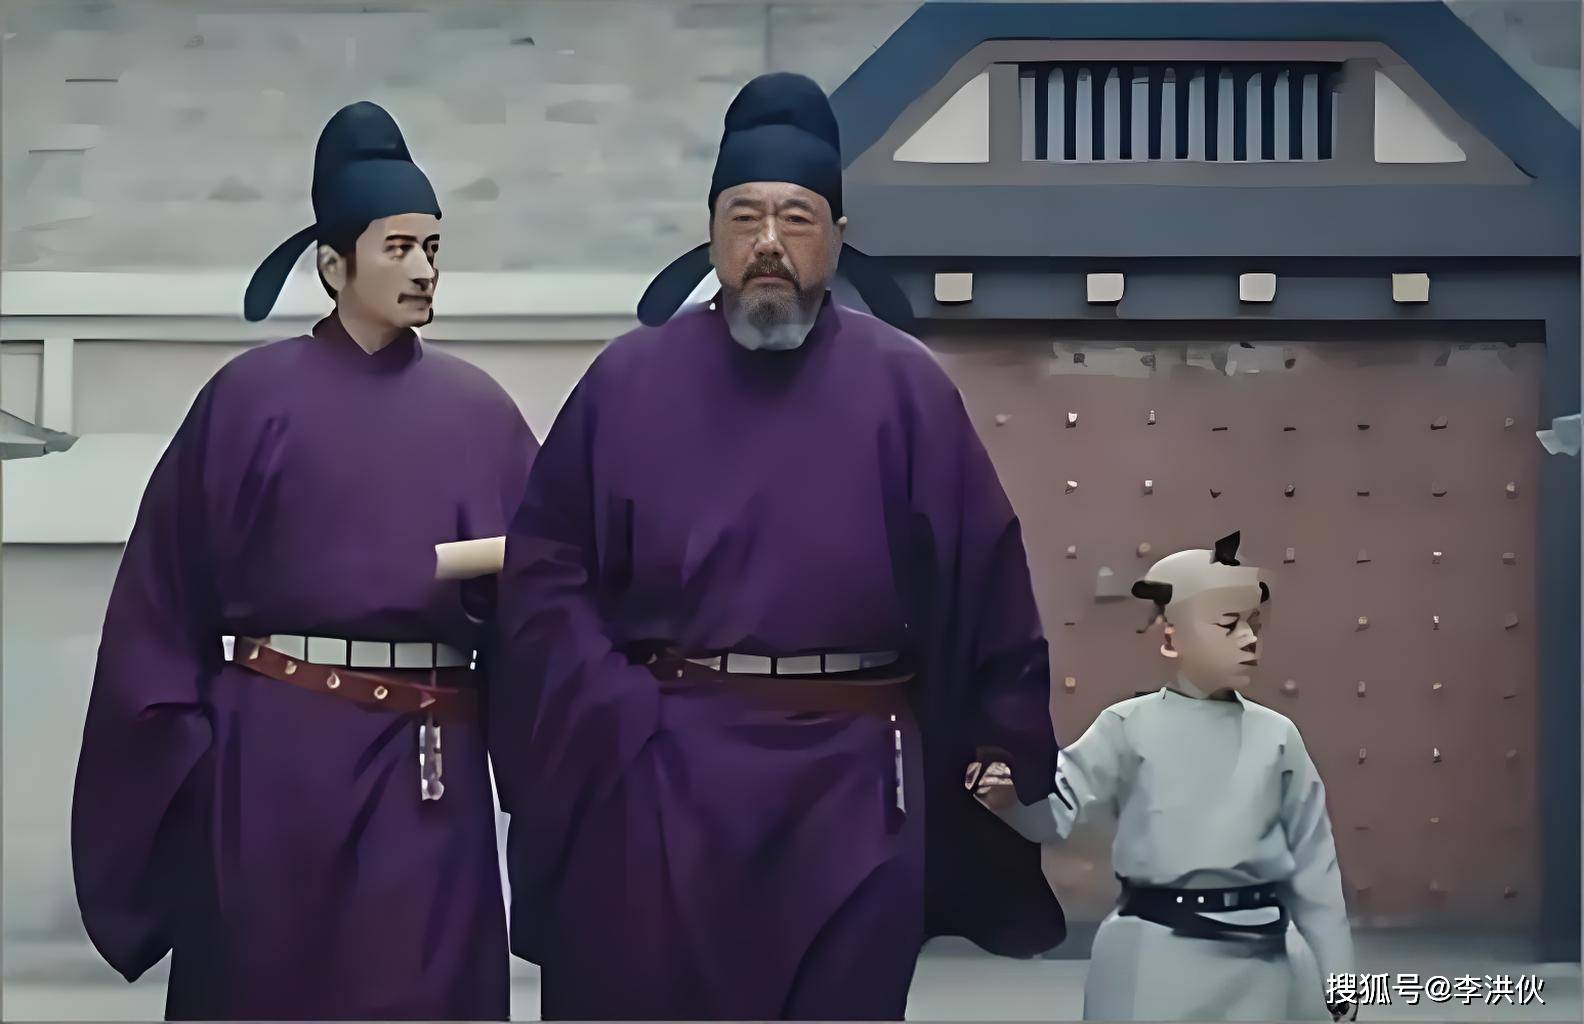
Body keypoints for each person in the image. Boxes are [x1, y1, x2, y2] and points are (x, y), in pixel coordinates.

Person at [488, 72, 1064, 1021]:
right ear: (711, 233)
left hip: (854, 779)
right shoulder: (628, 383)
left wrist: (1002, 728)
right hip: (668, 767)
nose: (767, 243)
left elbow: (980, 568)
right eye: (744, 216)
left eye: (795, 218)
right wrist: (616, 712)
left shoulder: (905, 388)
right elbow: (546, 574)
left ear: (836, 235)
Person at [70, 101, 535, 1021]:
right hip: (274, 760)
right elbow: (158, 608)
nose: (423, 268)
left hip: (428, 769)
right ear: (334, 266)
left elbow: (547, 611)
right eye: (398, 247)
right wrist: (205, 759)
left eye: (433, 247)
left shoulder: (481, 414)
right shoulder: (249, 402)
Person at [973, 531, 1356, 1022]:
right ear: (1171, 639)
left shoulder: (1278, 736)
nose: (1249, 639)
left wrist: (1339, 978)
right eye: (1229, 625)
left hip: (1265, 956)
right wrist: (1011, 799)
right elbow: (1059, 805)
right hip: (1155, 952)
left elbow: (1315, 867)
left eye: (1254, 625)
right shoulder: (1127, 726)